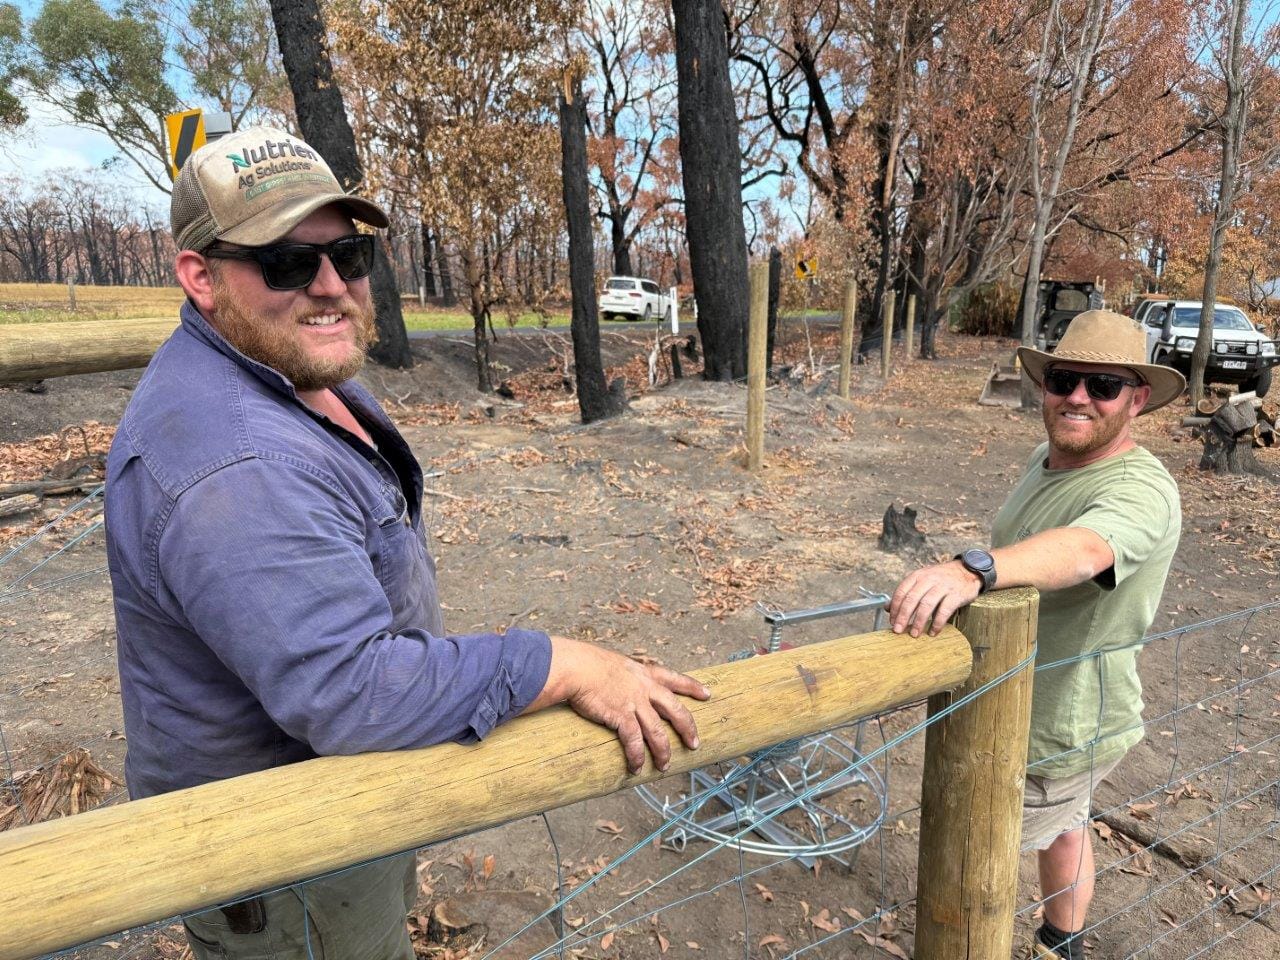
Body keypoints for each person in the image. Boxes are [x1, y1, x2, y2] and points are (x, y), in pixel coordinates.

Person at [105, 126, 709, 959]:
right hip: (286, 857)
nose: (329, 285)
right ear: (200, 277)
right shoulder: (238, 463)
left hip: (329, 815)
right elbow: (353, 690)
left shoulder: (277, 369)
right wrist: (564, 664)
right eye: (285, 262)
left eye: (347, 256)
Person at [886, 310, 1184, 960]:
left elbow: (1084, 550)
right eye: (1065, 378)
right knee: (1067, 829)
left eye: (1102, 385)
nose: (1078, 396)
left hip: (1060, 724)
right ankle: (1064, 941)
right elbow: (1042, 543)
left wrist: (975, 569)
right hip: (1015, 696)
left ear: (1136, 400)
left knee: (972, 856)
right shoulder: (1046, 459)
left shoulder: (1142, 490)